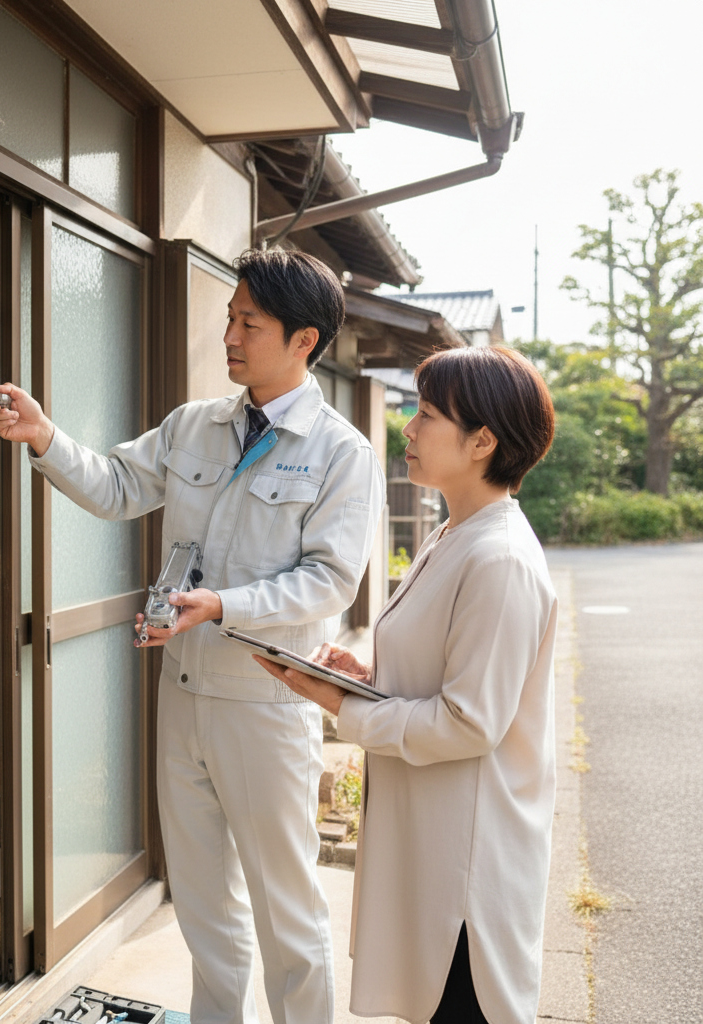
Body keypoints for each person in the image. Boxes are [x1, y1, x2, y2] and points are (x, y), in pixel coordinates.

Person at [0, 248, 385, 1024]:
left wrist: (222, 605)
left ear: (304, 340)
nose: (229, 335)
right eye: (229, 317)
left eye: (249, 323)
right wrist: (42, 438)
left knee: (288, 918)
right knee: (205, 913)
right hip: (183, 699)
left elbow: (330, 582)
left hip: (268, 707)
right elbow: (113, 486)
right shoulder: (196, 425)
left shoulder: (342, 453)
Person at [255, 345, 557, 1024]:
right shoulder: (453, 533)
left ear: (482, 440)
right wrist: (367, 678)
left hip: (468, 872)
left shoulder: (500, 559)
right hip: (433, 841)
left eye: (424, 415)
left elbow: (469, 722)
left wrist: (342, 706)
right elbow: (442, 675)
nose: (408, 430)